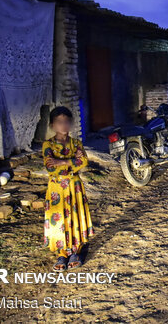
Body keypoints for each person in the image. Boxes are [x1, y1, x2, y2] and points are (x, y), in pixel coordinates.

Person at [42, 106, 94, 272]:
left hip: (74, 186)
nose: (63, 125)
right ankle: (62, 253)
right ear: (52, 125)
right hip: (56, 188)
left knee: (75, 216)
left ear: (70, 124)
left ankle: (75, 252)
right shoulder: (47, 145)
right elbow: (50, 167)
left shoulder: (76, 143)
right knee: (58, 220)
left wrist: (62, 162)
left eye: (66, 121)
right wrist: (72, 161)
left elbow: (83, 162)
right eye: (59, 122)